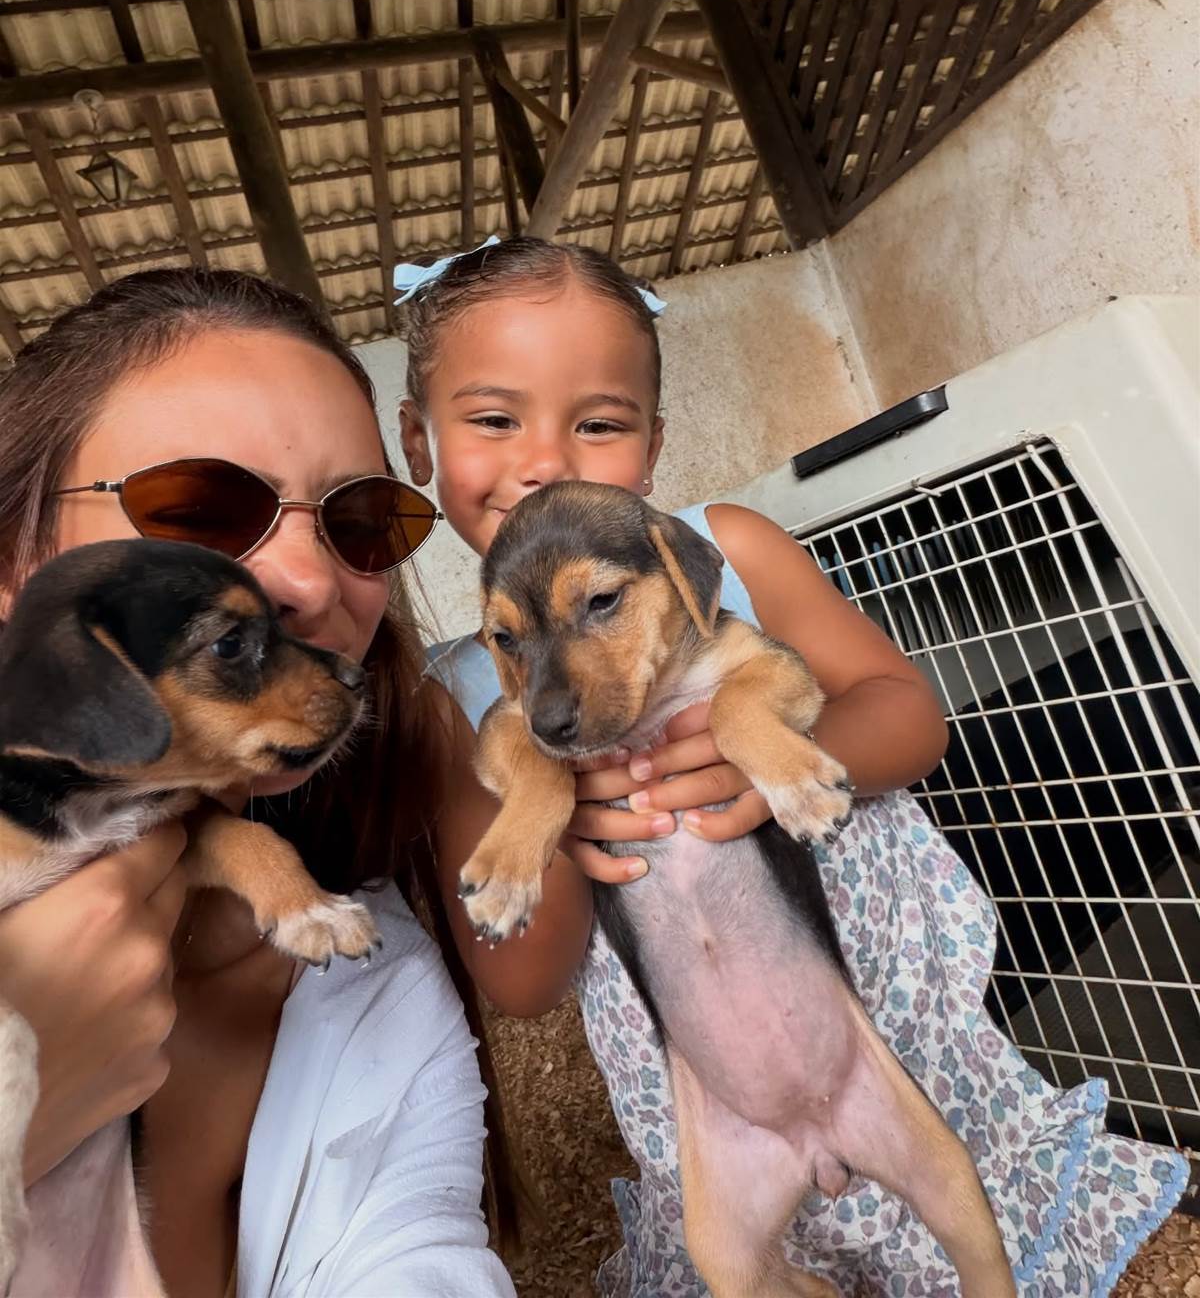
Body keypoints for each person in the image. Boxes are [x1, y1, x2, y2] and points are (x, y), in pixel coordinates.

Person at [400, 236, 1188, 1298]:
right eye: (494, 419)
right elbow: (521, 982)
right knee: (734, 1260)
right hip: (707, 1077)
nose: (548, 460)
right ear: (419, 442)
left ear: (654, 444)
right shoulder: (459, 698)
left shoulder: (727, 548)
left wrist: (766, 752)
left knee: (956, 1188)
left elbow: (910, 715)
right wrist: (558, 814)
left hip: (880, 1014)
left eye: (600, 422)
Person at [0, 268, 517, 1298]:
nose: (313, 582)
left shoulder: (376, 994)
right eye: (199, 506)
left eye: (361, 521)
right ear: (15, 565)